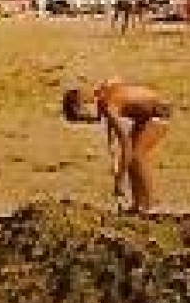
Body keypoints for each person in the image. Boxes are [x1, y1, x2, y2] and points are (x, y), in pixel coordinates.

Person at [61, 80, 173, 214]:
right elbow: (114, 131)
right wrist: (113, 151)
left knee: (137, 155)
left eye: (85, 118)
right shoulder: (103, 95)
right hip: (144, 118)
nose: (89, 122)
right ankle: (139, 204)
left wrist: (119, 180)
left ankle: (150, 205)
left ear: (85, 105)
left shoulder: (108, 106)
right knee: (133, 157)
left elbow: (126, 145)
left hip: (159, 114)